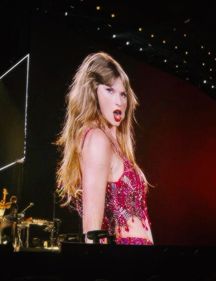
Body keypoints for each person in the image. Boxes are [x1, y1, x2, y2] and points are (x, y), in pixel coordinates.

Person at [56, 52, 154, 245]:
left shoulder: (114, 142)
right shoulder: (97, 139)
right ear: (93, 92)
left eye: (123, 94)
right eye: (109, 90)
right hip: (124, 259)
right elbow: (92, 229)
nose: (119, 102)